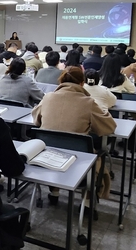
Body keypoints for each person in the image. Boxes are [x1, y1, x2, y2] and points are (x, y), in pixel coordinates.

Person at [31, 66, 116, 205]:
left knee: (56, 141)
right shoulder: (88, 102)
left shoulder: (48, 97)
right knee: (92, 155)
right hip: (77, 161)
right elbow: (109, 127)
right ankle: (87, 203)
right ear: (82, 83)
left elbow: (36, 120)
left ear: (61, 81)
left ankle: (54, 192)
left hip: (46, 157)